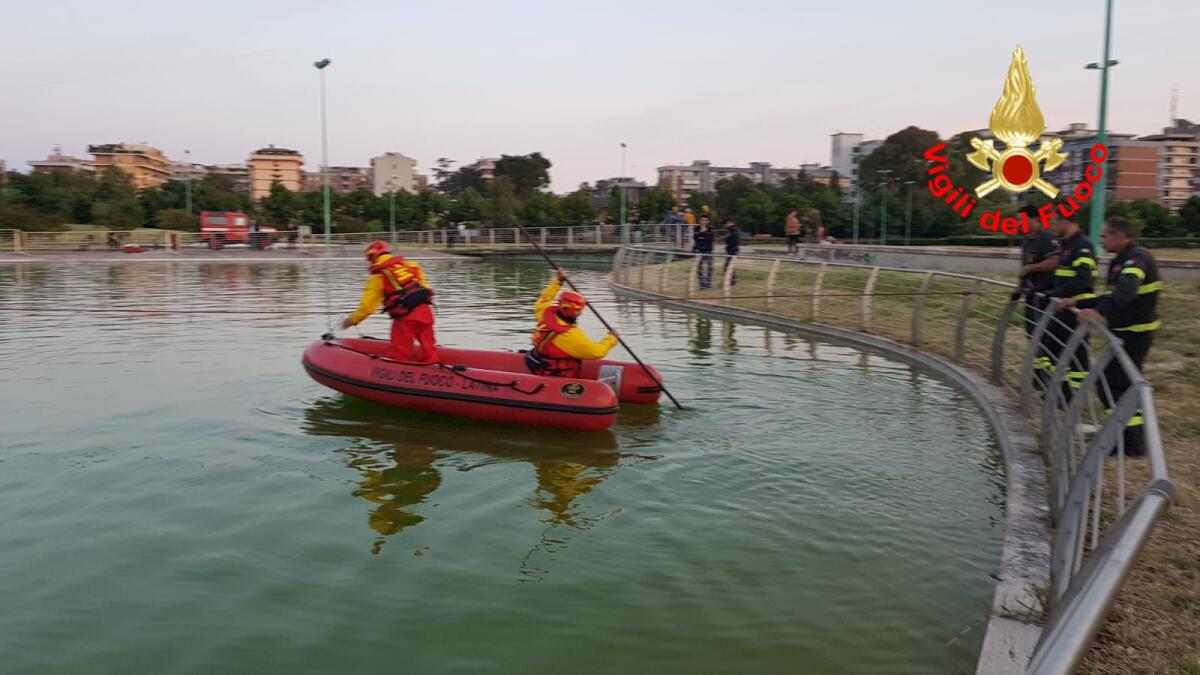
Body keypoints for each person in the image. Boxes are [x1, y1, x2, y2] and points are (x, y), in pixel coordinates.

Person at [1059, 217, 1161, 456]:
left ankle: (1131, 441)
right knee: (1118, 384)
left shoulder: (1137, 258)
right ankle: (1128, 437)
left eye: (1104, 236)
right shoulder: (1122, 259)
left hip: (1135, 333)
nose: (1101, 241)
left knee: (1112, 384)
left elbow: (1126, 292)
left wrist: (1097, 311)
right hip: (1126, 332)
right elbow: (1109, 295)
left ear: (1119, 236)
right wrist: (1078, 302)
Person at [341, 241, 438, 363]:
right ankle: (431, 369)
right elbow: (425, 287)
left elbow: (367, 307)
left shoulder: (379, 275)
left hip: (405, 319)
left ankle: (401, 377)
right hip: (426, 313)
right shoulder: (412, 266)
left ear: (373, 256)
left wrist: (351, 321)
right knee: (429, 349)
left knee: (400, 353)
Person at [526, 268, 619, 378]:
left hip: (541, 367)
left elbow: (545, 298)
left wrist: (558, 281)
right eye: (577, 311)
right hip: (559, 378)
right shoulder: (569, 336)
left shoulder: (544, 313)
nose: (580, 314)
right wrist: (612, 338)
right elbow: (596, 352)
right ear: (566, 309)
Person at [1046, 211, 1097, 400]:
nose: (1051, 226)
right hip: (1063, 308)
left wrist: (1056, 293)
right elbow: (1060, 276)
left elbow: (1083, 280)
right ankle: (1061, 393)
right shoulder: (1067, 245)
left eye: (1053, 222)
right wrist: (1041, 289)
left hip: (1077, 310)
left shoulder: (1083, 246)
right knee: (1058, 351)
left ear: (1065, 221)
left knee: (1077, 356)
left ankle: (1075, 398)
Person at [1010, 204, 1062, 388]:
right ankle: (1037, 378)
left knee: (1043, 337)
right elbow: (1024, 269)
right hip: (1031, 296)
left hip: (1044, 296)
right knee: (1032, 336)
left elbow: (1054, 261)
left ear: (1035, 219)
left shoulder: (1046, 238)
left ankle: (1046, 378)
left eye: (1021, 220)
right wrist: (1019, 288)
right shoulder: (1027, 240)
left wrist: (1032, 268)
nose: (1018, 223)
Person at [692, 216, 715, 289]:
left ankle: (708, 284)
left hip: (708, 251)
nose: (704, 221)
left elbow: (709, 239)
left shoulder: (710, 230)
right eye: (702, 220)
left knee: (710, 267)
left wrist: (701, 235)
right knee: (699, 268)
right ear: (700, 221)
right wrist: (702, 233)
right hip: (699, 251)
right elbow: (695, 237)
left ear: (708, 222)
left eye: (705, 220)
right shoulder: (696, 229)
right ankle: (702, 285)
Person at [723, 218, 740, 287]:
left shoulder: (734, 230)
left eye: (726, 223)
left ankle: (732, 281)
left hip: (732, 252)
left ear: (730, 223)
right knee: (728, 266)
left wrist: (731, 250)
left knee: (728, 266)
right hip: (729, 251)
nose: (725, 225)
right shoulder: (730, 230)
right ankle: (730, 281)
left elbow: (734, 241)